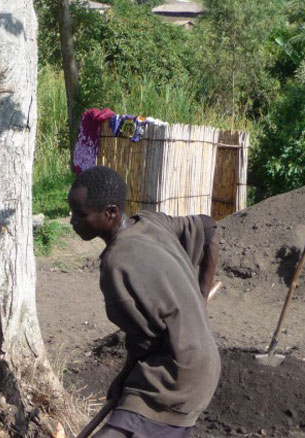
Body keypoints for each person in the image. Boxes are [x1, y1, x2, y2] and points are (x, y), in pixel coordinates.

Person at [68, 166, 221, 438]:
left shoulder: (116, 265)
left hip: (175, 376)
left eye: (80, 215)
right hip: (201, 360)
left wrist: (123, 378)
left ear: (110, 213)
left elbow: (143, 342)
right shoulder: (152, 223)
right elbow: (209, 228)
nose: (72, 221)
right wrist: (200, 298)